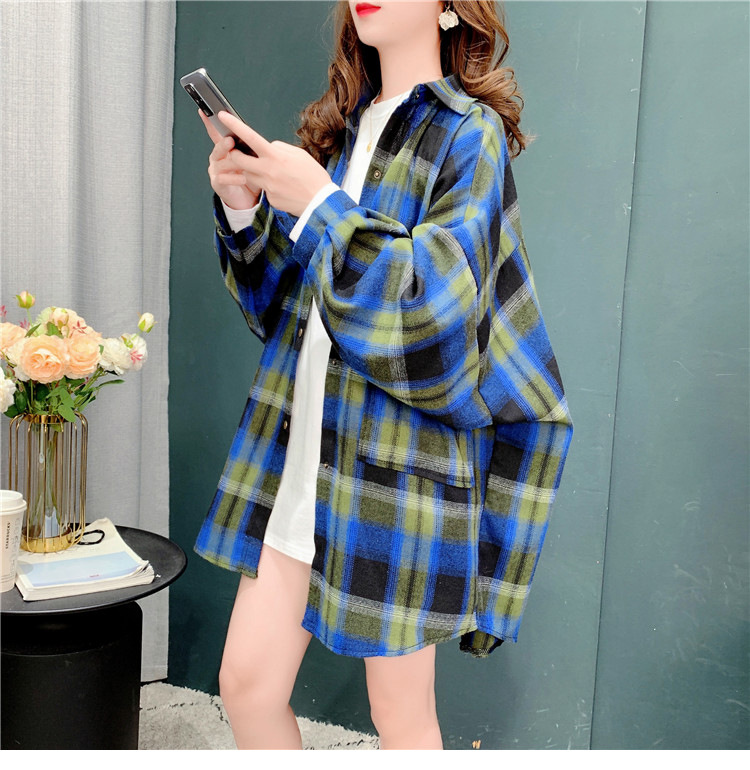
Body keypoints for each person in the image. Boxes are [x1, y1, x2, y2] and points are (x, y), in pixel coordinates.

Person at [194, 0, 573, 750]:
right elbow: (289, 313)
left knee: (400, 716)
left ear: (448, 8)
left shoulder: (468, 134)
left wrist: (322, 205)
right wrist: (244, 209)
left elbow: (436, 311)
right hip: (301, 457)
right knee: (246, 686)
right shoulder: (341, 136)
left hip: (399, 471)